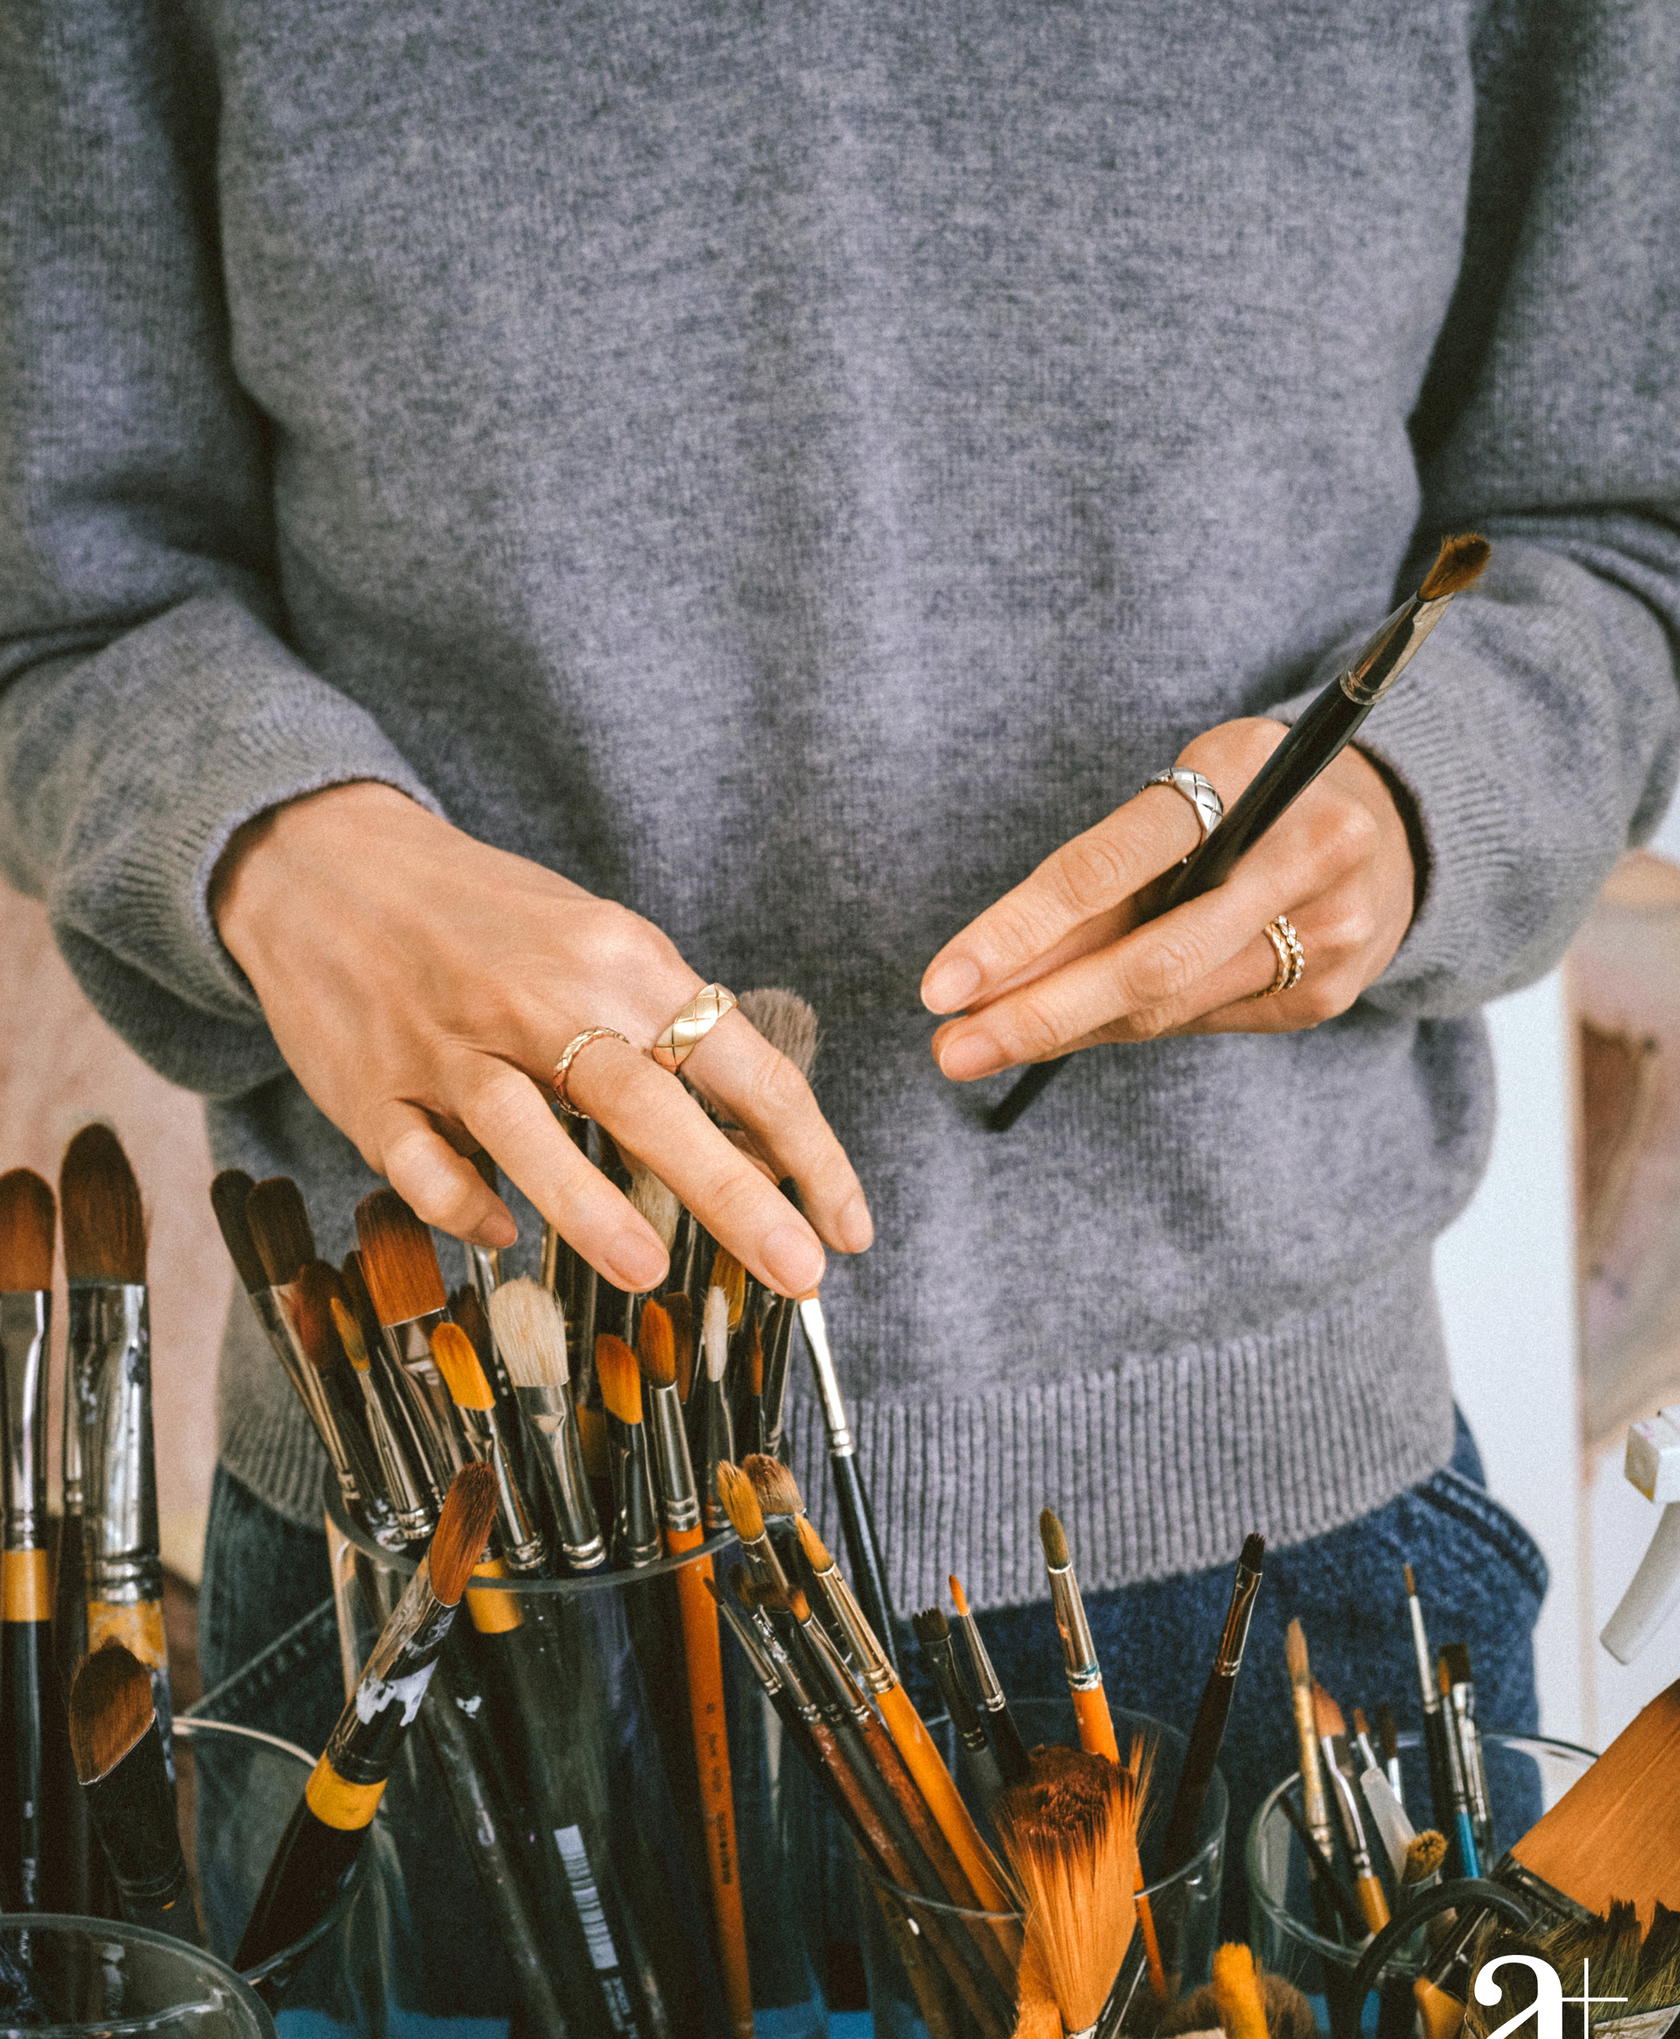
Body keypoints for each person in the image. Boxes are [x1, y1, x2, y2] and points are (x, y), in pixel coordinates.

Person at [2, 0, 1676, 1870]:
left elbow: (1620, 535)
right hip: (442, 1546)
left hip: (1277, 1574)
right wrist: (285, 857)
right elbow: (57, 599)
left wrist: (1415, 806)